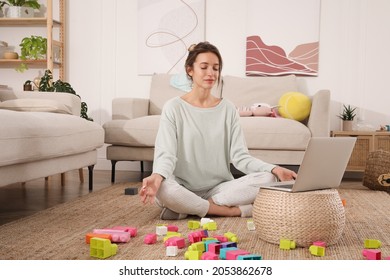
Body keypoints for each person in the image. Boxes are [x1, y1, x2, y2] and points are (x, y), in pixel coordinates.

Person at [139, 42, 297, 220]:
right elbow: (166, 154)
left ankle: (188, 208)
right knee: (165, 188)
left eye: (216, 68)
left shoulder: (228, 108)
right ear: (190, 70)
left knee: (268, 179)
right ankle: (228, 210)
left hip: (220, 189)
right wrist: (157, 176)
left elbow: (240, 157)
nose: (211, 73)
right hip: (182, 187)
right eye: (204, 67)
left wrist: (275, 169)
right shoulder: (173, 107)